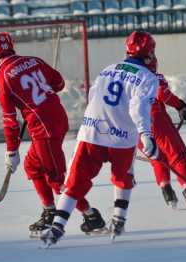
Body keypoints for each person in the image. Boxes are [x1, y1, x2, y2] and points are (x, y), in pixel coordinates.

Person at [41, 30, 160, 246]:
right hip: (122, 137)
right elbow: (138, 107)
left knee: (74, 182)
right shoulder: (147, 77)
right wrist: (146, 134)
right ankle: (119, 219)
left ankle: (57, 227)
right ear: (149, 54)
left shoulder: (108, 69)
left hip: (92, 131)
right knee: (123, 176)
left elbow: (92, 97)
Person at [0, 32, 69, 237]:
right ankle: (50, 211)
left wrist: (11, 151)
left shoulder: (2, 78)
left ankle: (90, 214)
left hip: (44, 130)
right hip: (59, 118)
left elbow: (10, 121)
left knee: (57, 180)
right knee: (32, 166)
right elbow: (59, 84)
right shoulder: (33, 60)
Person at [143, 56, 186, 210]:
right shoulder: (151, 75)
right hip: (155, 118)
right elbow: (162, 93)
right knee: (178, 157)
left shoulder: (126, 76)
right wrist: (181, 106)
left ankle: (167, 192)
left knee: (158, 158)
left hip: (134, 125)